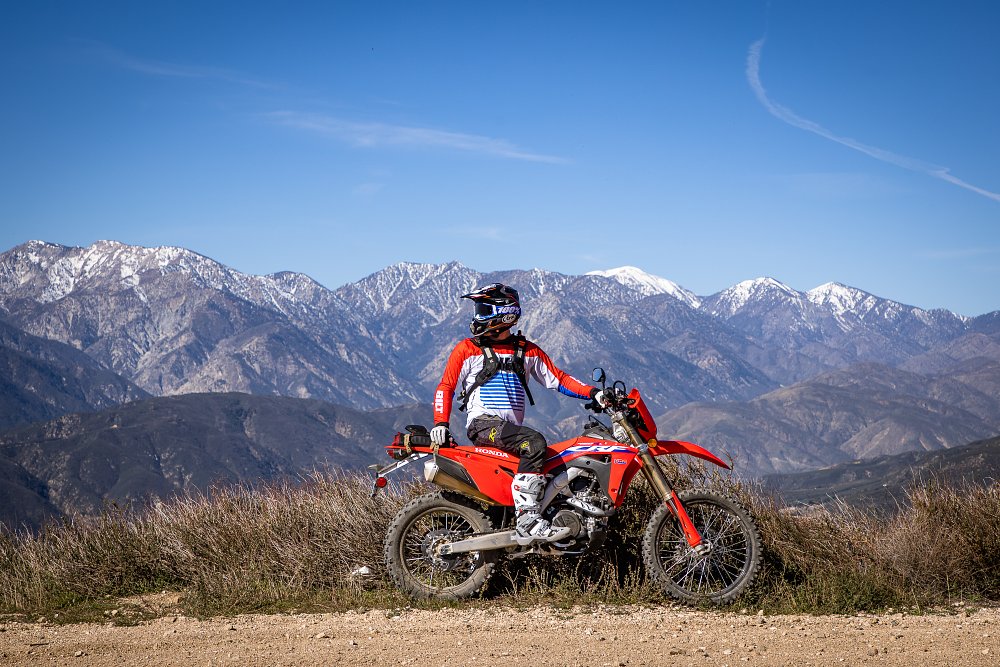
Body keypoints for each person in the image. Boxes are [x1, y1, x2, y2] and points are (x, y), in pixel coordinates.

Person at [431, 283, 605, 544]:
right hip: (483, 425)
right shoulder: (467, 349)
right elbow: (446, 386)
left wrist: (594, 393)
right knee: (534, 443)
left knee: (553, 462)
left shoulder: (527, 351)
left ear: (505, 314)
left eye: (483, 310)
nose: (477, 317)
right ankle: (528, 521)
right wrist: (440, 423)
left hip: (506, 430)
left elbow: (558, 380)